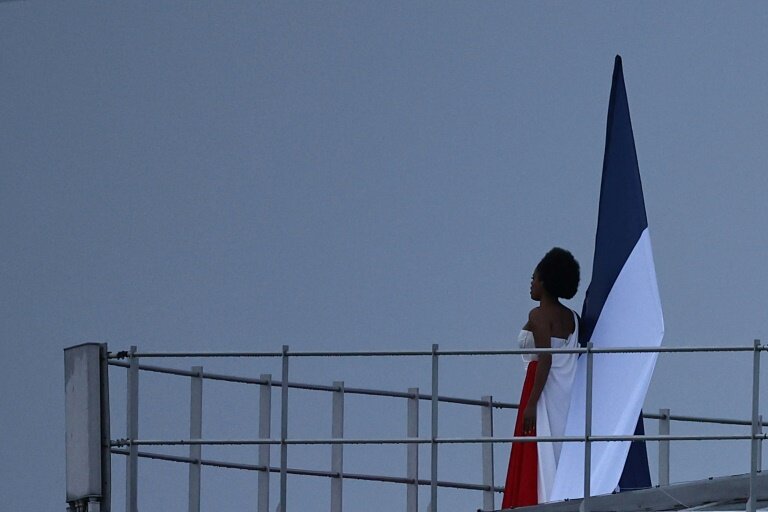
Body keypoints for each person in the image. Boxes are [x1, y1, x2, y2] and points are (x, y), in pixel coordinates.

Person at [502, 247, 580, 508]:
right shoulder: (573, 318)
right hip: (566, 393)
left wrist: (532, 403)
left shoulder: (537, 315)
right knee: (560, 451)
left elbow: (545, 358)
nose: (531, 284)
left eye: (533, 278)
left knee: (540, 452)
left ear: (545, 282)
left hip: (541, 391)